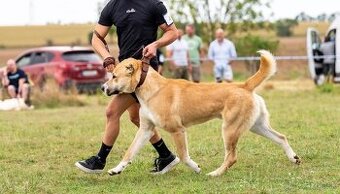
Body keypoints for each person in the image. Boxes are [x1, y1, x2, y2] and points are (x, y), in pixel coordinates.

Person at [75, 0, 180, 174]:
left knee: (112, 112)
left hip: (144, 72)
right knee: (136, 118)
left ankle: (100, 160)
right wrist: (107, 57)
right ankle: (166, 156)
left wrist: (155, 45)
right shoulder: (113, 5)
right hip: (125, 71)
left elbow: (173, 32)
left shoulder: (153, 4)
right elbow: (96, 38)